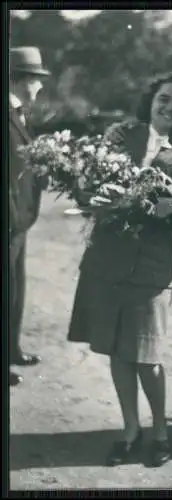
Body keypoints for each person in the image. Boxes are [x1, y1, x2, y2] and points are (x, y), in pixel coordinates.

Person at [67, 73, 172, 467]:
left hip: (151, 268)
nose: (169, 107)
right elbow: (85, 184)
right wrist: (90, 194)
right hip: (108, 260)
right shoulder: (121, 135)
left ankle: (160, 432)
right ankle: (129, 429)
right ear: (151, 99)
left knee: (147, 356)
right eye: (164, 99)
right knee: (117, 351)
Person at [9, 46, 51, 387]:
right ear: (22, 80)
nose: (40, 87)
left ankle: (12, 349)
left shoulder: (21, 113)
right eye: (37, 80)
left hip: (19, 219)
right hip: (9, 220)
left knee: (16, 288)